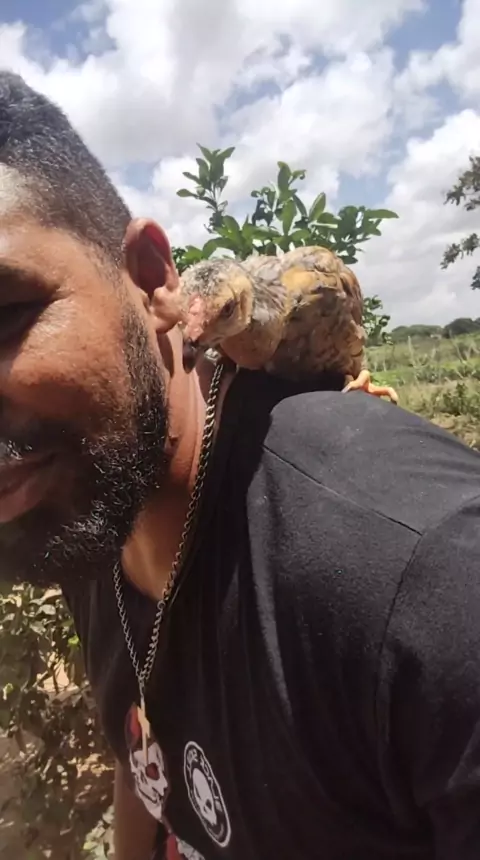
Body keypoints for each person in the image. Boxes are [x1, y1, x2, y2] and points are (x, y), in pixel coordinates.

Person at [0, 70, 479, 860]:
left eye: (8, 314)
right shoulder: (85, 506)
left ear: (152, 278)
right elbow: (143, 758)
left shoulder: (428, 576)